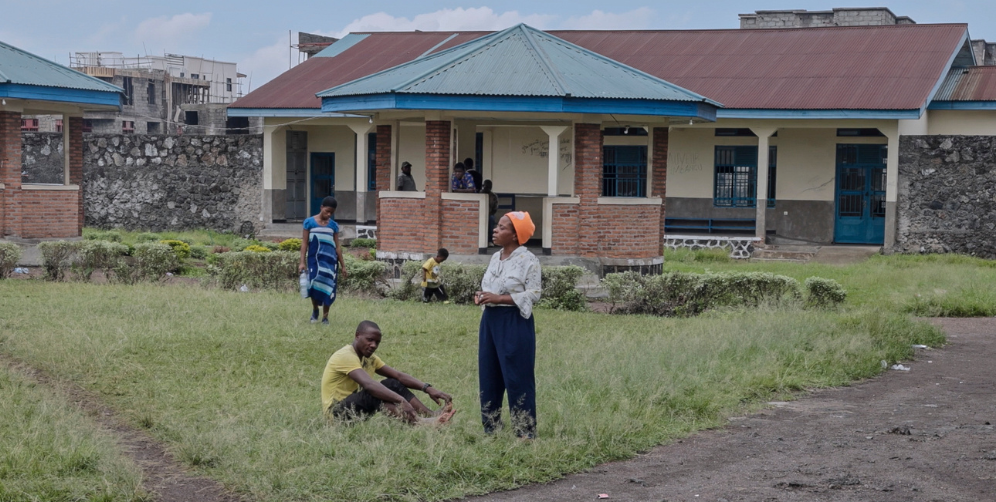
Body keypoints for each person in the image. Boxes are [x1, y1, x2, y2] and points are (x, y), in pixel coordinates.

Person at [474, 211, 541, 438]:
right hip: (490, 322)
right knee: (489, 374)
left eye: (502, 227)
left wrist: (499, 299)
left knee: (517, 376)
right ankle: (491, 428)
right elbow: (491, 286)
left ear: (515, 235)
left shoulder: (528, 260)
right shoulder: (495, 257)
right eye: (497, 226)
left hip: (514, 324)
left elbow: (533, 294)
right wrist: (482, 295)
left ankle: (524, 432)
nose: (495, 230)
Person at [322, 320, 455, 424]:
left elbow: (398, 376)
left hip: (354, 411)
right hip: (337, 414)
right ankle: (423, 424)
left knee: (392, 383)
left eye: (377, 342)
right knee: (374, 392)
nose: (373, 345)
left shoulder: (369, 359)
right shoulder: (346, 355)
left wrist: (427, 388)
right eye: (370, 340)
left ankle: (432, 416)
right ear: (357, 336)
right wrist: (401, 400)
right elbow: (369, 385)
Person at [299, 196, 347, 325]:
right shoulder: (309, 223)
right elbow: (304, 244)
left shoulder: (333, 226)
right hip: (314, 260)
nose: (329, 214)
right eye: (327, 211)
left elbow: (337, 247)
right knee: (314, 285)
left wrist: (343, 265)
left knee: (329, 287)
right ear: (321, 208)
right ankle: (315, 310)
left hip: (330, 261)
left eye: (332, 212)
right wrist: (302, 262)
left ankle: (325, 317)